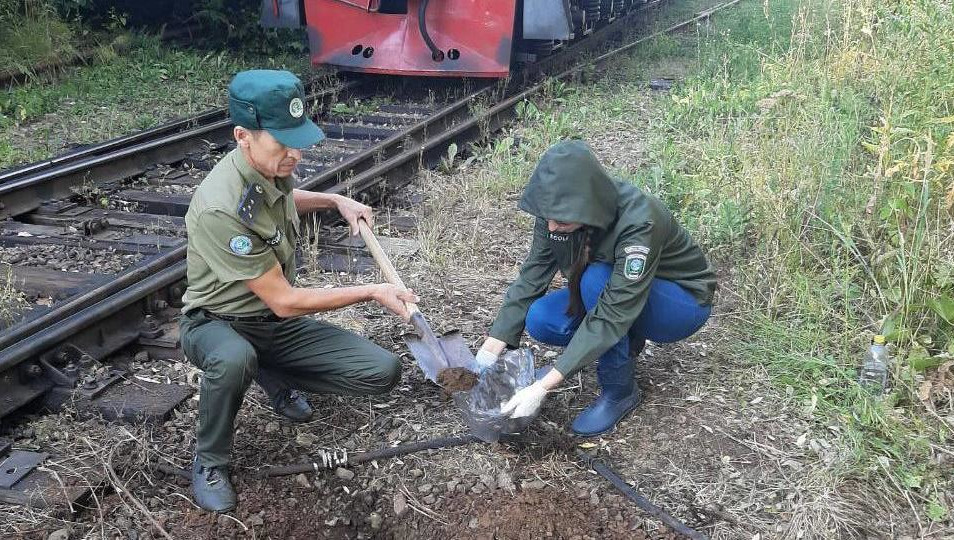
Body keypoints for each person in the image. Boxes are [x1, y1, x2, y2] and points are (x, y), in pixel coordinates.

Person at [179, 70, 417, 512]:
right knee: (234, 359)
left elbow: (284, 199)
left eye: (298, 141)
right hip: (216, 325)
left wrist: (334, 201)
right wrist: (371, 291)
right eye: (282, 144)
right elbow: (286, 300)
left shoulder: (270, 166)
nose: (295, 155)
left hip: (271, 324)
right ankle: (210, 461)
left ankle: (272, 371)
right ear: (242, 136)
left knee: (382, 372)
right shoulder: (219, 206)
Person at [476, 140, 716, 436]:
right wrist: (492, 346)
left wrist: (543, 385)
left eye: (560, 221)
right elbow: (532, 276)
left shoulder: (640, 220)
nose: (551, 227)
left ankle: (619, 391)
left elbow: (612, 312)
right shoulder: (556, 211)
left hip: (680, 303)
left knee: (595, 282)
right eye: (547, 218)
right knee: (541, 318)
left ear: (586, 206)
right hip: (619, 291)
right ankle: (625, 343)